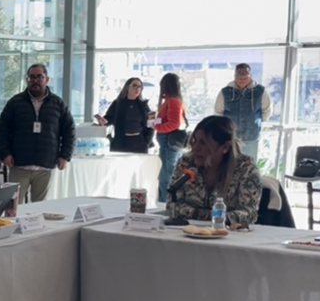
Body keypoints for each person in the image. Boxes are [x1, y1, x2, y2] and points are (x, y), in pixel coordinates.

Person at [0, 63, 76, 203]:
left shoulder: (58, 104)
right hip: (19, 164)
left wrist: (65, 155)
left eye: (40, 77)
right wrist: (5, 153)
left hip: (45, 165)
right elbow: (2, 129)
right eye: (31, 77)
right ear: (27, 80)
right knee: (13, 206)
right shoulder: (15, 103)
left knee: (40, 207)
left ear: (47, 79)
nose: (35, 81)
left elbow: (69, 131)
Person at [167, 116, 262, 227]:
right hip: (188, 231)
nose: (196, 148)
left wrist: (216, 217)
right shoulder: (185, 162)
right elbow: (172, 204)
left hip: (228, 234)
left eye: (203, 143)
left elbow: (249, 213)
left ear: (225, 147)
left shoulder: (245, 168)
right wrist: (210, 215)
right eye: (194, 141)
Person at [213, 63, 271, 161]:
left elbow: (266, 111)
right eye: (239, 74)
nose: (242, 77)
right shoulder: (225, 92)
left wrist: (255, 123)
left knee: (250, 164)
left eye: (245, 74)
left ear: (250, 75)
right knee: (229, 164)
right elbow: (218, 112)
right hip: (231, 138)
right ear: (235, 76)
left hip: (252, 137)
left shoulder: (260, 91)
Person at [94, 77, 153, 153]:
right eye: (134, 85)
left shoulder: (143, 105)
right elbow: (109, 118)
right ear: (127, 87)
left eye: (139, 86)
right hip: (121, 142)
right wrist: (104, 121)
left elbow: (152, 123)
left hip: (140, 142)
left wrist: (147, 141)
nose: (137, 89)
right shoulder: (118, 103)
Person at [153, 73, 187, 202]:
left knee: (167, 174)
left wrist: (158, 127)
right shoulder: (173, 100)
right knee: (167, 172)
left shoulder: (172, 101)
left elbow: (174, 123)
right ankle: (166, 201)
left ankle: (166, 202)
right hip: (168, 142)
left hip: (169, 142)